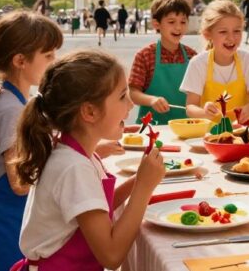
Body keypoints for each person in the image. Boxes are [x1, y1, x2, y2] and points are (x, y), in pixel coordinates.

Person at [14, 50, 165, 270]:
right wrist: (143, 188)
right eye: (122, 96)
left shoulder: (76, 152)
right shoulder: (73, 167)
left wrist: (139, 179)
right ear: (89, 112)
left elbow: (94, 209)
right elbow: (112, 256)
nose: (131, 105)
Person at [0, 11, 63, 271]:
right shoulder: (11, 110)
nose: (55, 61)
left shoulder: (19, 100)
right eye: (49, 55)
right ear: (20, 60)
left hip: (10, 221)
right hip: (3, 227)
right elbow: (18, 182)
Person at [181, 0, 249, 123]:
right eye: (223, 32)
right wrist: (204, 112)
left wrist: (248, 109)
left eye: (237, 31)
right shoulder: (198, 64)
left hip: (243, 131)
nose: (231, 38)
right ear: (207, 34)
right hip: (210, 132)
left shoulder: (248, 60)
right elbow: (190, 107)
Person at [129, 0, 198, 125]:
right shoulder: (145, 55)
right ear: (156, 24)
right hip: (151, 128)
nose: (178, 27)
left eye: (183, 22)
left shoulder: (192, 56)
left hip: (186, 127)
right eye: (171, 22)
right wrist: (151, 100)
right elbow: (132, 93)